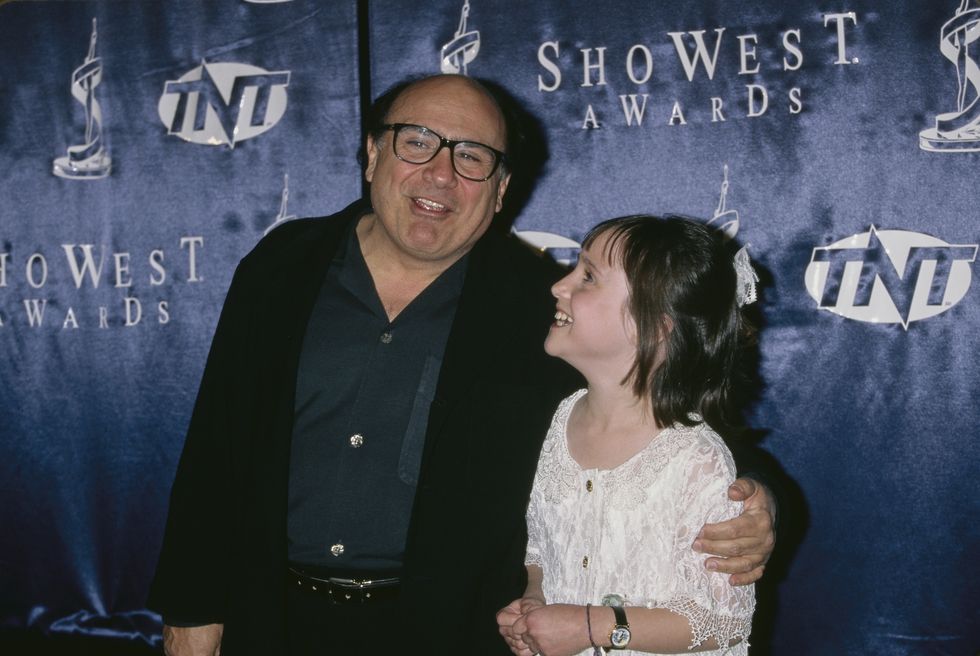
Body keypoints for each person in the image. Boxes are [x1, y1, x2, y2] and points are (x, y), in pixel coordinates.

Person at [148, 75, 775, 655]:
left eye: (471, 156)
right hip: (271, 620)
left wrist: (751, 498)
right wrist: (190, 609)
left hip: (454, 632)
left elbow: (654, 409)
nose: (441, 173)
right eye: (416, 142)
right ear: (372, 154)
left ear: (501, 189)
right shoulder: (281, 267)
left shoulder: (542, 306)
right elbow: (216, 443)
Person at [497, 215, 760, 656]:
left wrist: (592, 626)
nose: (559, 287)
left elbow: (722, 620)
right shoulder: (552, 425)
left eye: (588, 277)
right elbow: (540, 548)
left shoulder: (694, 459)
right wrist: (535, 603)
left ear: (655, 325)